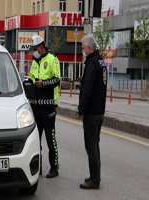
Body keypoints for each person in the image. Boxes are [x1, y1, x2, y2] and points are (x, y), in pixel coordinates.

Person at [27, 34, 61, 178]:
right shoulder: (34, 61)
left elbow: (57, 79)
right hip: (35, 106)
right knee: (35, 140)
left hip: (48, 107)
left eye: (35, 49)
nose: (34, 51)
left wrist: (43, 84)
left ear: (41, 47)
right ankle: (38, 166)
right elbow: (30, 78)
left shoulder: (52, 60)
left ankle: (54, 167)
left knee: (50, 139)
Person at [78, 34, 108, 189]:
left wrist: (81, 109)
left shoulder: (91, 63)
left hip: (91, 113)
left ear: (89, 48)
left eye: (83, 48)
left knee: (91, 146)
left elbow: (87, 89)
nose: (83, 50)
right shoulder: (101, 62)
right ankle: (96, 176)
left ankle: (94, 180)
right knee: (95, 145)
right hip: (100, 111)